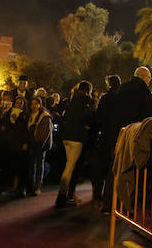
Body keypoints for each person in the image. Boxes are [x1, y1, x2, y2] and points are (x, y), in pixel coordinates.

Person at [57, 80, 94, 208]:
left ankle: (67, 194)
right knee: (70, 166)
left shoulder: (71, 100)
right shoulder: (87, 102)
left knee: (68, 165)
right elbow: (89, 118)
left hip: (66, 136)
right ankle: (61, 196)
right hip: (77, 138)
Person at [93, 74, 121, 210]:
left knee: (101, 168)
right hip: (117, 137)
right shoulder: (122, 98)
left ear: (109, 84)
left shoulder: (105, 98)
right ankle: (110, 198)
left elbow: (99, 117)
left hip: (105, 136)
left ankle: (98, 195)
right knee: (113, 169)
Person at [27, 95, 54, 196]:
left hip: (40, 144)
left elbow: (45, 132)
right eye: (32, 104)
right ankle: (31, 185)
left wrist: (40, 143)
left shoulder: (44, 116)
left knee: (39, 164)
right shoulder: (30, 115)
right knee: (31, 165)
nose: (34, 106)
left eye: (36, 104)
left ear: (40, 104)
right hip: (32, 143)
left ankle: (37, 186)